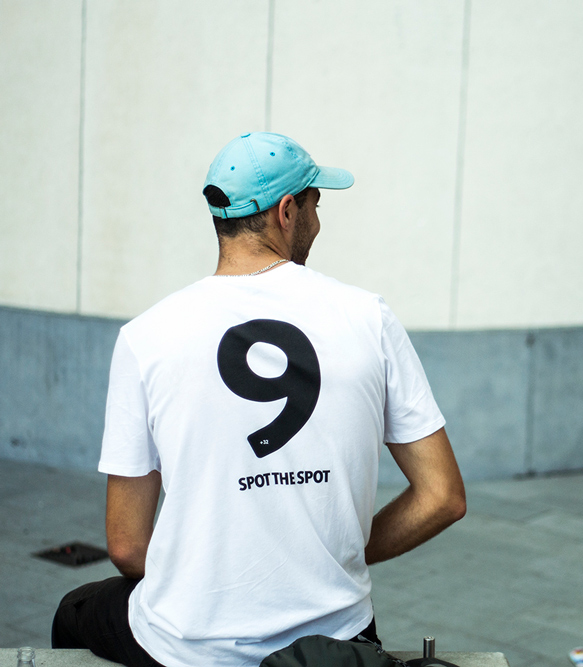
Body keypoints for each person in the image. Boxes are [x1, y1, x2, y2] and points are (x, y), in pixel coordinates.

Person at [51, 132, 467, 667]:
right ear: (287, 211)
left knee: (75, 610)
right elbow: (443, 497)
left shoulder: (146, 336)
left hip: (188, 648)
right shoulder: (369, 317)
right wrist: (323, 559)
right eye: (317, 204)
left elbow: (129, 547)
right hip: (336, 641)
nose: (319, 221)